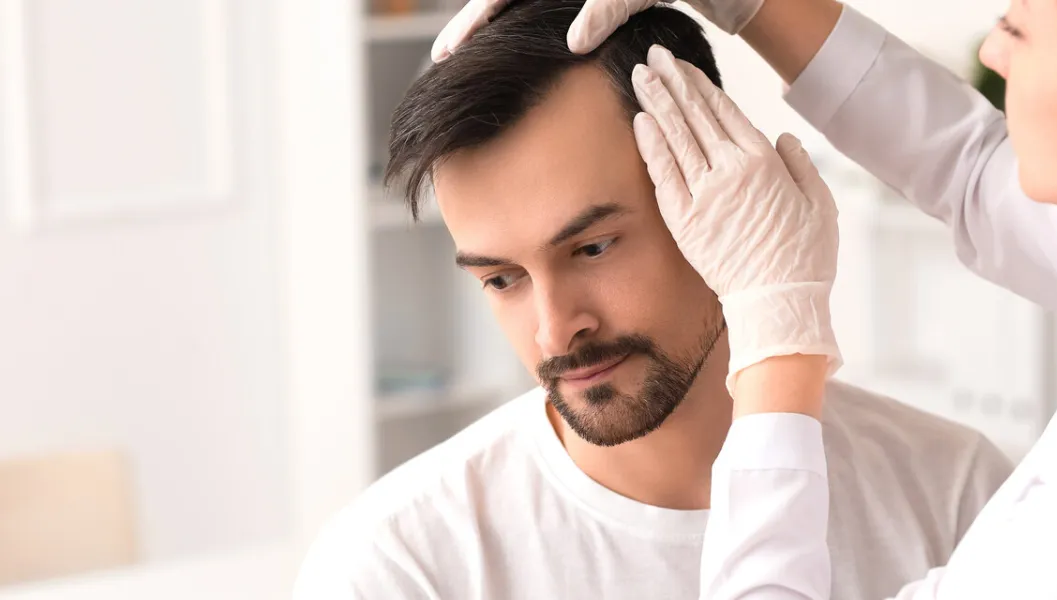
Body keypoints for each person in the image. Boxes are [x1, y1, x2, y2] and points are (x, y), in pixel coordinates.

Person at [438, 0, 1057, 597]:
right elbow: (969, 168)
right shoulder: (403, 559)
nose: (991, 53)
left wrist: (778, 333)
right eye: (500, 276)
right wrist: (753, 4)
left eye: (1019, 28)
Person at [290, 2, 1014, 599]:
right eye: (501, 278)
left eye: (594, 247)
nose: (555, 328)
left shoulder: (955, 496)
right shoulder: (399, 567)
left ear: (729, 179)